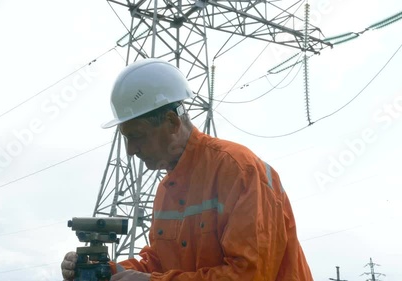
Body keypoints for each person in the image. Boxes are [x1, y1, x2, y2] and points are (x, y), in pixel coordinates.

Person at [61, 58, 313, 281]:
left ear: (171, 122)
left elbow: (250, 275)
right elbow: (158, 264)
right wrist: (104, 271)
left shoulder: (238, 170)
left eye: (136, 136)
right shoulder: (166, 191)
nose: (130, 150)